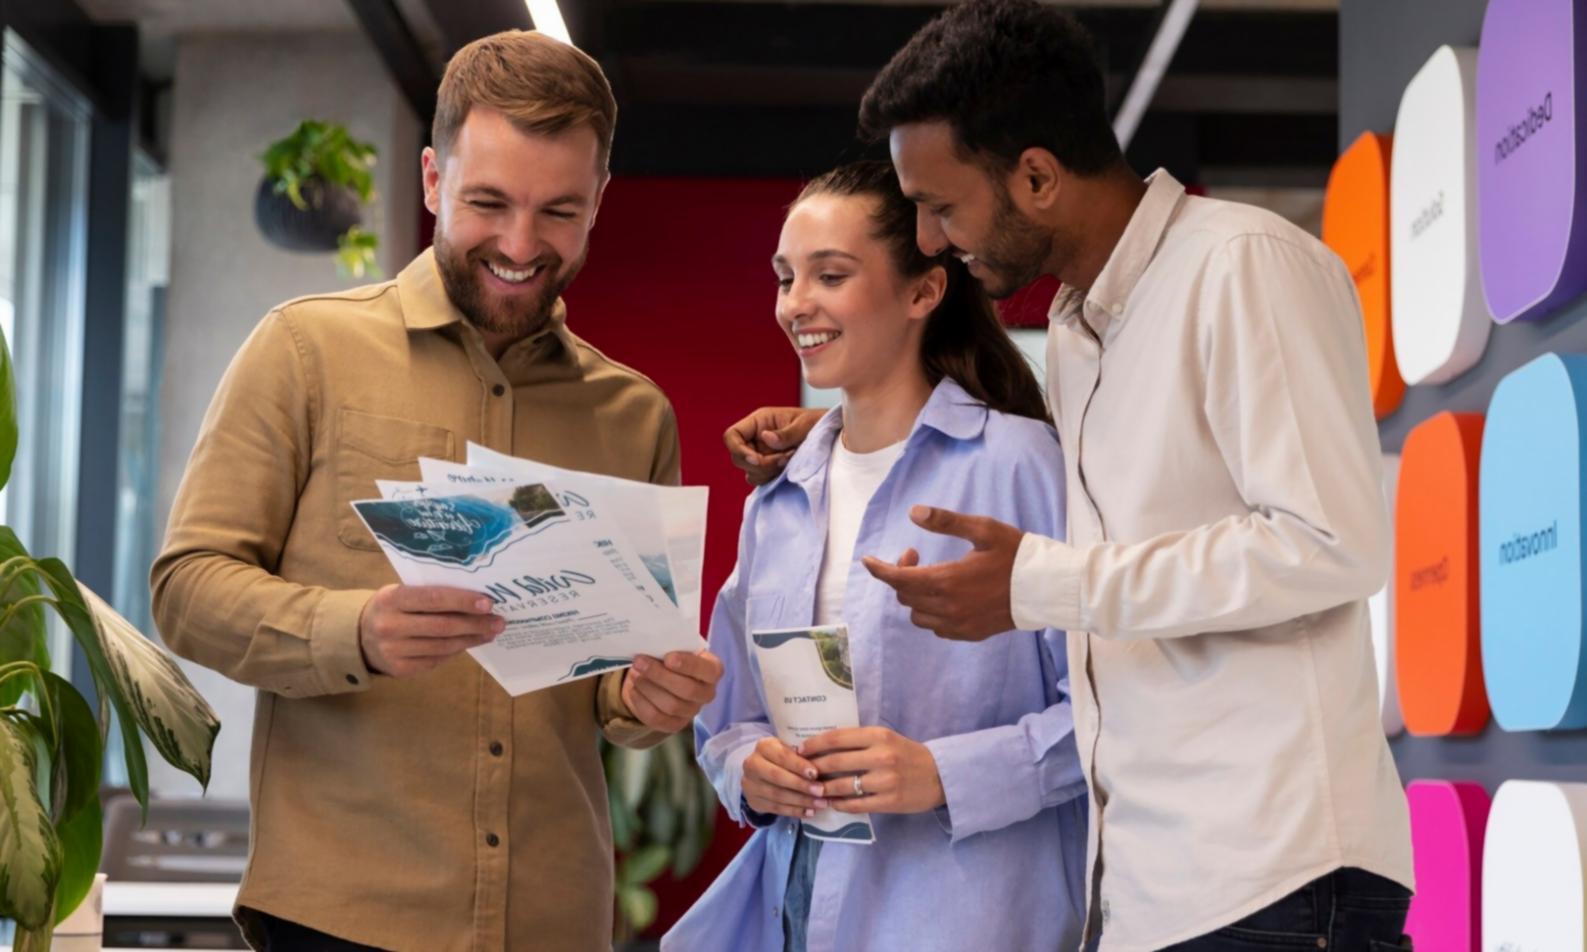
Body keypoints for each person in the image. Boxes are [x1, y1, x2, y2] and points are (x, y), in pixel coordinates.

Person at [725, 3, 1414, 950]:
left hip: (1273, 874)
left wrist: (1037, 586)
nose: (928, 238)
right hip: (1143, 885)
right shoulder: (1085, 333)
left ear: (1037, 176)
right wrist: (846, 434)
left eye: (940, 205)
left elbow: (1328, 542)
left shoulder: (1241, 267)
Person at [151, 31, 722, 951]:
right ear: (430, 179)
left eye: (559, 212)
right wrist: (355, 630)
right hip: (341, 914)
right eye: (487, 202)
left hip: (554, 919)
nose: (520, 244)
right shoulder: (305, 353)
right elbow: (185, 591)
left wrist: (649, 699)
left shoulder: (634, 415)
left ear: (598, 203)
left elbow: (618, 688)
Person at [667, 160, 1087, 952]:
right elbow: (727, 719)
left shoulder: (1020, 465)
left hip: (975, 924)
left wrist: (945, 774)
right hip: (794, 913)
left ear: (923, 293)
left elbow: (1111, 708)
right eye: (786, 278)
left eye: (830, 275)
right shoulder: (778, 498)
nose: (796, 304)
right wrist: (747, 770)